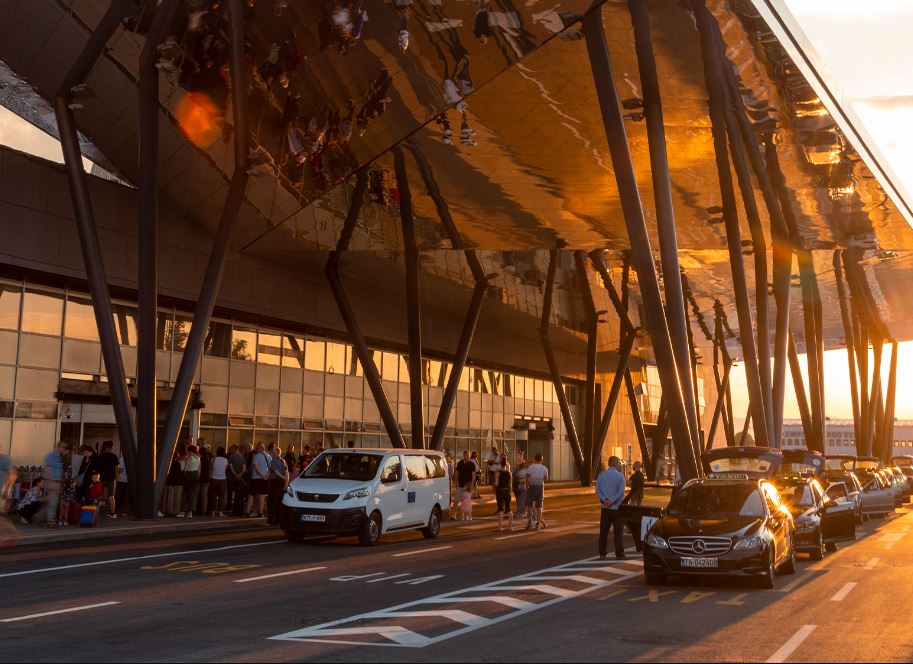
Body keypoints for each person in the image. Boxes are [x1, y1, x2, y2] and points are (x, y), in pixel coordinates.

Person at [596, 456, 628, 560]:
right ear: (614, 463)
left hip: (605, 507)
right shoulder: (620, 476)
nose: (619, 465)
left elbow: (597, 491)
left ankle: (602, 553)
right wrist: (613, 501)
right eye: (618, 463)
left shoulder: (601, 475)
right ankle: (619, 553)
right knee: (618, 532)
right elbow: (621, 492)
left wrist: (605, 500)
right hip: (617, 508)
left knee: (603, 532)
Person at [40, 441, 66, 527]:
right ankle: (50, 520)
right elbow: (48, 469)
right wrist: (48, 481)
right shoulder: (52, 456)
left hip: (56, 482)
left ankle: (40, 517)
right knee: (53, 502)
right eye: (62, 447)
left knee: (51, 502)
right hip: (52, 482)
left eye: (64, 448)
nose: (64, 450)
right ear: (58, 447)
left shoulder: (59, 457)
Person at [524, 452, 549, 530]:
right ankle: (538, 523)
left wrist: (527, 485)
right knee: (539, 506)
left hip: (531, 487)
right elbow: (546, 479)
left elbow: (527, 477)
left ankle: (530, 522)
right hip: (540, 487)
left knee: (530, 505)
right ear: (542, 459)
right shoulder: (544, 468)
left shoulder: (531, 467)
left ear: (535, 459)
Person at [96, 440, 119, 518]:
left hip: (101, 477)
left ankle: (96, 511)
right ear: (111, 447)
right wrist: (116, 477)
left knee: (98, 494)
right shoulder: (114, 456)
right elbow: (116, 468)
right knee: (111, 495)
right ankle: (112, 513)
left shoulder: (100, 456)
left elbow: (97, 468)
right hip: (111, 478)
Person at [267, 446, 289, 526]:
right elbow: (287, 472)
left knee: (272, 501)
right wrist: (286, 481)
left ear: (275, 453)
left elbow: (276, 472)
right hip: (282, 482)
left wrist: (283, 477)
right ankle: (278, 520)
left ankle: (271, 520)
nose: (272, 454)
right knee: (279, 501)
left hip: (275, 482)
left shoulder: (273, 461)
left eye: (273, 452)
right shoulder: (283, 460)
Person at [179, 444, 201, 518]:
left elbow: (185, 468)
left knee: (185, 494)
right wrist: (197, 477)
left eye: (188, 451)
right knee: (192, 495)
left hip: (188, 475)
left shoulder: (189, 458)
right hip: (195, 476)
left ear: (190, 451)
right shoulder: (198, 458)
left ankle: (182, 512)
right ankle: (190, 512)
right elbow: (199, 470)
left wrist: (183, 472)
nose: (188, 453)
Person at [249, 443, 271, 518]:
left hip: (256, 478)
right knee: (262, 496)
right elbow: (270, 468)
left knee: (251, 495)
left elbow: (256, 467)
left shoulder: (256, 456)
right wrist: (266, 476)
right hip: (265, 478)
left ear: (257, 449)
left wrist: (261, 475)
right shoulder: (269, 456)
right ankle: (260, 513)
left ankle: (248, 511)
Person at [494, 455, 513, 532]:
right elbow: (510, 485)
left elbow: (496, 484)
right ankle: (510, 527)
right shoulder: (509, 473)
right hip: (507, 491)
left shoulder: (497, 473)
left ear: (500, 464)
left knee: (500, 509)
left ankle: (500, 527)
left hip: (500, 491)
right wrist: (510, 493)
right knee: (509, 509)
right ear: (506, 464)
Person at [208, 446, 228, 517]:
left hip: (214, 478)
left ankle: (213, 511)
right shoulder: (225, 460)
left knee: (213, 496)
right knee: (221, 496)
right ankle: (220, 512)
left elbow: (211, 467)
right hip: (222, 479)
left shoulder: (214, 459)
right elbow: (225, 470)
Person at [513, 451, 529, 520]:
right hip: (518, 485)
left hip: (523, 486)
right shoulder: (519, 468)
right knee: (519, 499)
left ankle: (521, 512)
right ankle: (520, 511)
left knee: (522, 499)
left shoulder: (524, 469)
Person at [198, 441, 212, 517]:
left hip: (201, 477)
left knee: (200, 494)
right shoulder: (211, 457)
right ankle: (204, 510)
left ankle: (200, 509)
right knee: (204, 495)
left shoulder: (200, 456)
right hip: (207, 478)